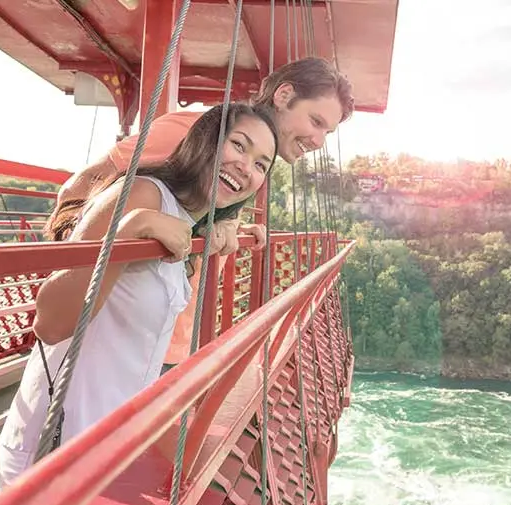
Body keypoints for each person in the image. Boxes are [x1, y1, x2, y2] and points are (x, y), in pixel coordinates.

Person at [0, 103, 279, 491]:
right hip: (53, 451)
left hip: (107, 450)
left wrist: (225, 229)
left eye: (262, 164)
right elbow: (50, 321)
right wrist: (129, 228)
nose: (248, 167)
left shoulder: (187, 220)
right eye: (239, 145)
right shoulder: (142, 193)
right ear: (204, 141)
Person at [51, 56, 355, 369]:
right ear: (284, 95)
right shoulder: (194, 132)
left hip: (169, 341)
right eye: (316, 122)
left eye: (328, 133)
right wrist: (78, 269)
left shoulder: (248, 168)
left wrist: (225, 225)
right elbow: (79, 192)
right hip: (111, 347)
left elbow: (182, 212)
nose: (319, 141)